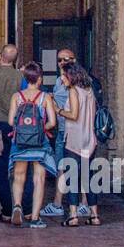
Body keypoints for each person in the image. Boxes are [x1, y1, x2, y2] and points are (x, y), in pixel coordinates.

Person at [7, 62, 57, 228]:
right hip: (39, 143)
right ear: (40, 79)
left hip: (20, 142)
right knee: (39, 179)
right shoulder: (45, 97)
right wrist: (40, 129)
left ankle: (17, 205)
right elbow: (52, 122)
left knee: (19, 176)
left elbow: (10, 121)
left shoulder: (17, 96)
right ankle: (35, 218)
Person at [0, 45, 30, 224]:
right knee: (22, 168)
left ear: (0, 56)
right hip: (18, 127)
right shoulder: (22, 78)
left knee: (2, 170)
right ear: (15, 59)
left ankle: (6, 211)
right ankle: (25, 208)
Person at [57, 64, 101, 226]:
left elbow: (74, 115)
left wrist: (59, 110)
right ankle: (94, 215)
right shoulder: (89, 90)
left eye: (63, 75)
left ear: (72, 76)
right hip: (89, 139)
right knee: (89, 178)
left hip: (74, 140)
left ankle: (73, 215)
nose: (62, 78)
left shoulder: (74, 91)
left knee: (73, 177)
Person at [41, 46, 76, 217]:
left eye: (66, 59)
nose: (62, 63)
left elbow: (66, 107)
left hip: (70, 129)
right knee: (66, 166)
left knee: (65, 166)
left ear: (74, 61)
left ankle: (60, 204)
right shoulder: (58, 81)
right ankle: (66, 203)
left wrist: (53, 104)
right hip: (64, 129)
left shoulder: (73, 82)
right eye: (60, 60)